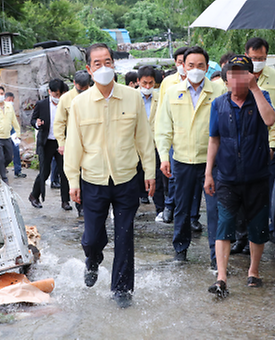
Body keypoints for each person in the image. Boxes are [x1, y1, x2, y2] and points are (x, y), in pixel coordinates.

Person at [65, 43, 155, 308]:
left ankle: (122, 290)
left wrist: (149, 171)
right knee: (92, 238)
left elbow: (144, 139)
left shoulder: (132, 97)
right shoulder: (79, 103)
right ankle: (92, 260)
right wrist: (72, 180)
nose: (103, 68)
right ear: (88, 69)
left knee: (125, 235)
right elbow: (73, 145)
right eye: (97, 63)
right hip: (93, 180)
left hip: (127, 178)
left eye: (107, 62)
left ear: (114, 64)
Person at [205, 55, 275, 297]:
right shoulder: (218, 104)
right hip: (227, 176)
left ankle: (253, 271)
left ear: (251, 76)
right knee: (224, 226)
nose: (237, 79)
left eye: (242, 73)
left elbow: (270, 119)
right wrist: (208, 173)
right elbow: (214, 139)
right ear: (226, 78)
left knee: (258, 226)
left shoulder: (261, 97)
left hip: (256, 174)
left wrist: (255, 88)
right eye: (233, 74)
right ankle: (221, 277)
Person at [156, 46, 225, 267]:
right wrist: (164, 157)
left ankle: (217, 258)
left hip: (212, 162)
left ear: (207, 67)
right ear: (183, 67)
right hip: (182, 160)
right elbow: (164, 128)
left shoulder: (219, 91)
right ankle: (180, 250)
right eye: (191, 65)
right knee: (182, 208)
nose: (196, 69)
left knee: (214, 210)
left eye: (200, 66)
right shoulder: (172, 92)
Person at [231, 37, 275, 255]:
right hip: (241, 149)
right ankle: (241, 237)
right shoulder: (235, 76)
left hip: (269, 147)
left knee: (265, 195)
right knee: (240, 197)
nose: (258, 62)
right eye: (254, 58)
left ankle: (265, 233)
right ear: (246, 55)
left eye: (262, 58)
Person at [28, 78, 72, 211]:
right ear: (49, 92)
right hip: (46, 142)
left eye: (60, 95)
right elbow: (33, 120)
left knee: (65, 172)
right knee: (44, 171)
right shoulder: (42, 104)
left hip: (62, 142)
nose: (58, 97)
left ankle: (65, 201)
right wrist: (37, 123)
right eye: (55, 95)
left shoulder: (67, 103)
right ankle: (34, 195)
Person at [54, 70, 92, 217]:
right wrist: (61, 143)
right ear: (74, 84)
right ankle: (80, 205)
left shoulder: (95, 95)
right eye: (79, 89)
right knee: (75, 173)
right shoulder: (66, 98)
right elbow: (59, 123)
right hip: (73, 143)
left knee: (90, 173)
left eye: (85, 89)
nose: (82, 92)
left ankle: (91, 203)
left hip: (92, 140)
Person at [158, 47, 188, 224]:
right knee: (173, 175)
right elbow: (162, 113)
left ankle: (192, 216)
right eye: (180, 62)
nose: (183, 66)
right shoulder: (168, 83)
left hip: (194, 138)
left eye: (186, 62)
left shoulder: (205, 85)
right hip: (174, 137)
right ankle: (169, 207)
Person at [137, 66, 163, 219]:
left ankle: (160, 209)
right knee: (133, 176)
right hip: (135, 145)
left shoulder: (160, 97)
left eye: (151, 83)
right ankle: (129, 207)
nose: (147, 87)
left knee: (157, 178)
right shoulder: (131, 97)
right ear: (138, 81)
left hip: (155, 144)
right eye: (144, 83)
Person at [5, 92, 26, 178]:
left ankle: (18, 170)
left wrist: (18, 133)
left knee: (16, 150)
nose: (11, 102)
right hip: (3, 132)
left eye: (12, 100)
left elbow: (15, 122)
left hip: (12, 131)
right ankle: (1, 169)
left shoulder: (11, 109)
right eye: (9, 100)